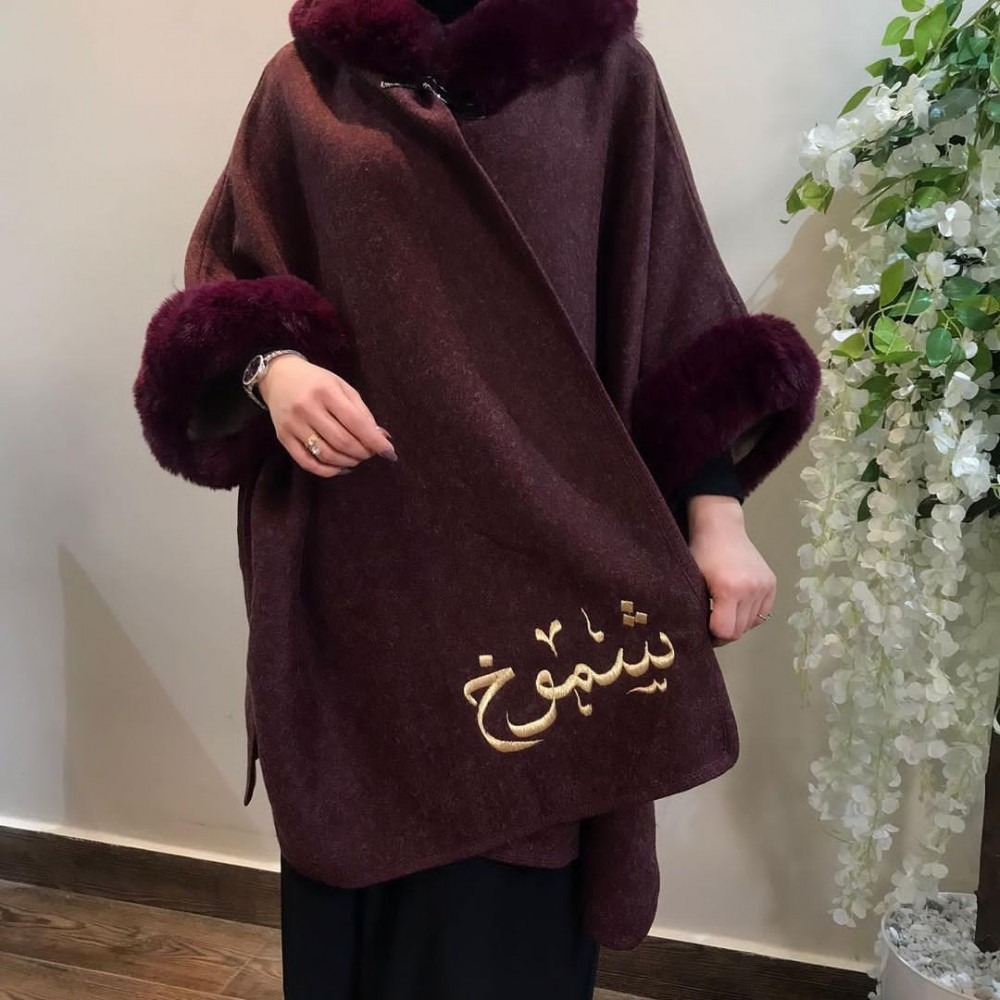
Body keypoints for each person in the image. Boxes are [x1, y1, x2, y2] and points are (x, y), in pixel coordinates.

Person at [132, 0, 822, 997]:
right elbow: (226, 285)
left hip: (545, 595)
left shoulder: (604, 80)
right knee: (355, 894)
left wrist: (717, 518)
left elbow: (670, 307)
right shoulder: (306, 84)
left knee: (508, 924)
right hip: (363, 577)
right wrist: (272, 370)